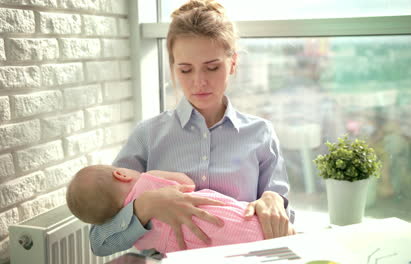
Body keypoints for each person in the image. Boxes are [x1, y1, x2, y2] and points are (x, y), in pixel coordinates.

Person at [89, 0, 295, 257]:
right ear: (173, 68)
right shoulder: (148, 136)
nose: (199, 81)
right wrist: (145, 206)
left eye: (212, 67)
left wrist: (275, 202)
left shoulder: (261, 133)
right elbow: (99, 242)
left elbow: (285, 225)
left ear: (232, 63)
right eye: (185, 70)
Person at [67, 165, 266, 253]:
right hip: (223, 218)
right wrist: (146, 204)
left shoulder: (137, 238)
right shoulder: (148, 179)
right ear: (121, 174)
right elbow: (187, 184)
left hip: (198, 251)